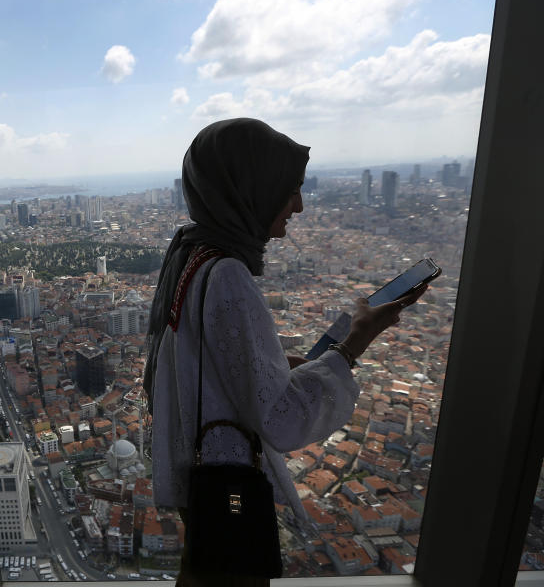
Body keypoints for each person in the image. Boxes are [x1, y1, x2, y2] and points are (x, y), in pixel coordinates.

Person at [145, 118, 426, 586]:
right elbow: (282, 419)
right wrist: (357, 340)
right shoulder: (227, 273)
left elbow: (201, 365)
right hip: (227, 484)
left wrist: (274, 368)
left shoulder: (190, 254)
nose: (298, 204)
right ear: (249, 187)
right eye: (289, 189)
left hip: (197, 477)